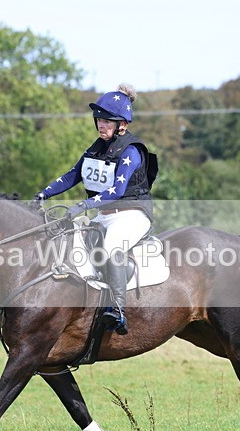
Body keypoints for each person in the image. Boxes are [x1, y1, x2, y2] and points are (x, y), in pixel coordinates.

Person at [34, 83, 158, 335]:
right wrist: (43, 193)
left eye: (108, 121)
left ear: (122, 124)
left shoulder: (132, 151)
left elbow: (117, 191)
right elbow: (73, 175)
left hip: (131, 215)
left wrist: (83, 205)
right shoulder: (96, 148)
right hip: (102, 216)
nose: (101, 125)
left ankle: (119, 310)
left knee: (112, 248)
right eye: (99, 120)